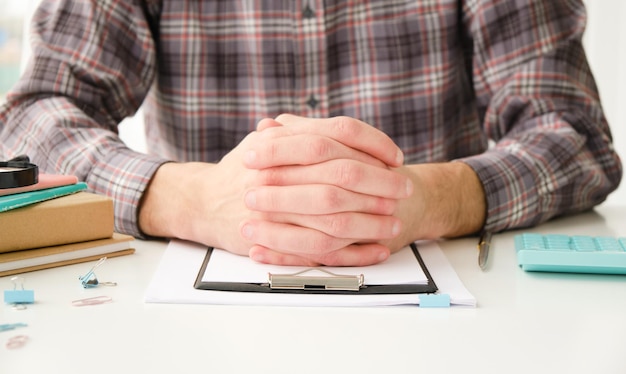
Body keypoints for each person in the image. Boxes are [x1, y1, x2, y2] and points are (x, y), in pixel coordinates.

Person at [0, 0, 622, 266]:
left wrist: (436, 198)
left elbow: (571, 132)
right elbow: (32, 116)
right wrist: (190, 198)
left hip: (446, 307)